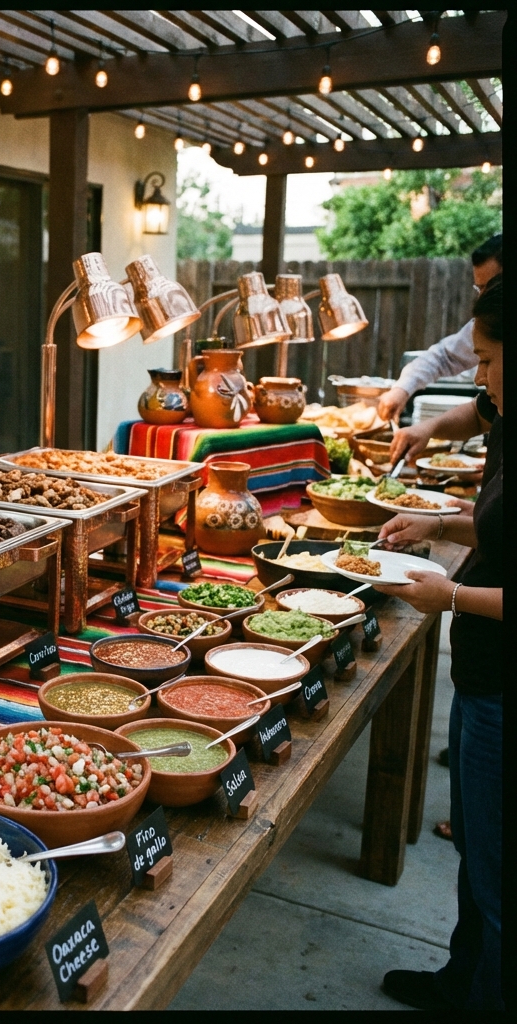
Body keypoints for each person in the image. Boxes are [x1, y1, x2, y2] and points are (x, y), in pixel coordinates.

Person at [376, 277, 503, 1011]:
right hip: (484, 678)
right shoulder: (507, 421)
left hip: (501, 684)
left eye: (486, 361)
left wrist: (448, 595)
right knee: (477, 854)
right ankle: (463, 980)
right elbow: (502, 527)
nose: (477, 379)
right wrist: (441, 525)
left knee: (495, 874)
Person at [378, 233, 501, 427]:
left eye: (490, 287)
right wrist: (401, 389)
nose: (479, 378)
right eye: (479, 289)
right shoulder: (483, 324)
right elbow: (443, 357)